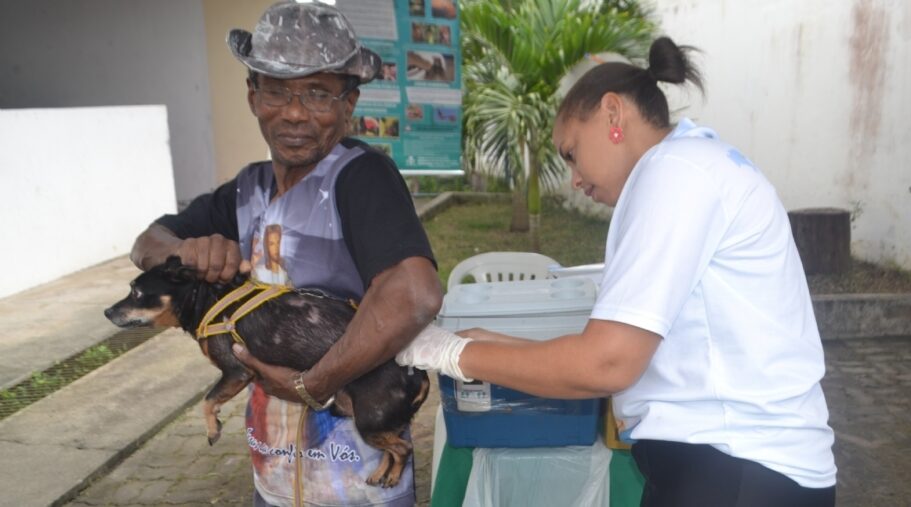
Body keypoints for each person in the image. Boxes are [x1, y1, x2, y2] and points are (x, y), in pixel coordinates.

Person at [398, 37, 837, 507]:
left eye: (571, 153)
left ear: (612, 115)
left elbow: (606, 362)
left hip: (737, 467)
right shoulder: (695, 166)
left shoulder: (675, 173)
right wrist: (490, 343)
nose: (575, 179)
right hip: (741, 465)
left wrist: (453, 353)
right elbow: (631, 351)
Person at [129, 2, 441, 506]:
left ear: (349, 103)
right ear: (253, 96)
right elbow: (147, 243)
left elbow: (415, 294)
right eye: (277, 90)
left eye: (318, 93)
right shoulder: (245, 190)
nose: (295, 112)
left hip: (356, 489)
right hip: (272, 478)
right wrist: (186, 250)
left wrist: (312, 382)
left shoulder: (362, 179)